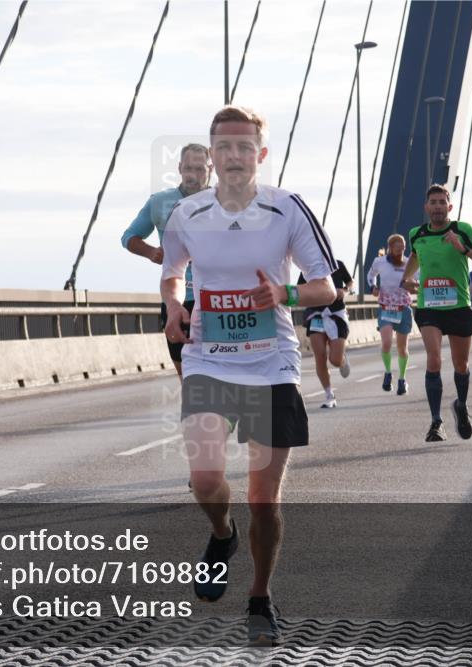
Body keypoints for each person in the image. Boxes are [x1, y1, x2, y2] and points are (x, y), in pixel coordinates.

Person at [161, 105, 336, 646]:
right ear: (211, 158)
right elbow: (172, 274)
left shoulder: (288, 209)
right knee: (207, 479)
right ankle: (222, 532)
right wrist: (173, 306)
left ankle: (260, 596)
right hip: (209, 356)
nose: (234, 156)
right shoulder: (186, 214)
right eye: (224, 147)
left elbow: (326, 289)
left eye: (244, 147)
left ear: (260, 155)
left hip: (270, 361)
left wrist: (282, 294)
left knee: (265, 497)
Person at [401, 184, 472, 442]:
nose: (438, 206)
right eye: (434, 202)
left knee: (461, 365)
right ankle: (435, 423)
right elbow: (415, 257)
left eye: (443, 202)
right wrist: (405, 279)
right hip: (429, 307)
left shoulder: (462, 230)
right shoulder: (416, 234)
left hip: (460, 307)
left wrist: (463, 249)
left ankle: (461, 406)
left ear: (449, 207)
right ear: (426, 207)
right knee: (434, 360)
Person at [122, 144, 212, 378]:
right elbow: (129, 237)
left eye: (200, 169)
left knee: (220, 374)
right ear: (180, 168)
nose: (194, 174)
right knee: (189, 379)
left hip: (216, 299)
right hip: (178, 301)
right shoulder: (160, 202)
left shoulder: (223, 202)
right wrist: (151, 252)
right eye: (189, 168)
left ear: (210, 169)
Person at [367, 234, 416, 395]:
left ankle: (402, 379)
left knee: (402, 349)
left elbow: (420, 280)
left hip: (403, 308)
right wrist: (373, 287)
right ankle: (388, 373)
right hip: (386, 307)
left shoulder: (410, 263)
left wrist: (413, 286)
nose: (400, 249)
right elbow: (371, 275)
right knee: (387, 343)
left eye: (402, 246)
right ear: (390, 248)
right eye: (396, 247)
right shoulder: (379, 262)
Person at [299, 260, 352, 408]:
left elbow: (349, 281)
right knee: (320, 356)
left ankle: (341, 358)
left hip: (336, 313)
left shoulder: (338, 264)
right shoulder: (306, 267)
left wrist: (345, 290)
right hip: (316, 314)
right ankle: (329, 394)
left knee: (334, 360)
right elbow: (300, 288)